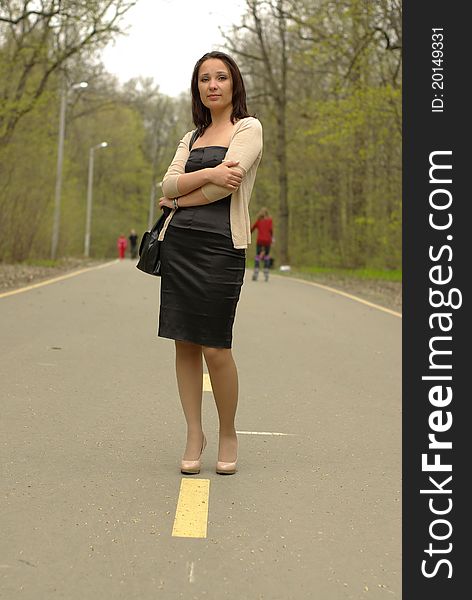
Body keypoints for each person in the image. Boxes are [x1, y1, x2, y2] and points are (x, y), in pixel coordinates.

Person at [157, 51, 263, 476]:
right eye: (205, 79)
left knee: (217, 346)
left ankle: (229, 432)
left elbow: (227, 187)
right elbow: (165, 182)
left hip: (221, 246)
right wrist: (207, 174)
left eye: (221, 77)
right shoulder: (191, 136)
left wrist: (179, 197)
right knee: (184, 341)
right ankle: (193, 434)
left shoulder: (248, 128)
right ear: (197, 87)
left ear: (234, 83)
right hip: (179, 245)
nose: (213, 84)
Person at [251, 207, 273, 281]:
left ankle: (256, 271)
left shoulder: (259, 221)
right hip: (267, 241)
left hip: (260, 241)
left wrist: (248, 234)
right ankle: (266, 271)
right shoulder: (270, 221)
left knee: (258, 255)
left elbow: (252, 228)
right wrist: (272, 238)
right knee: (266, 255)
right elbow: (270, 230)